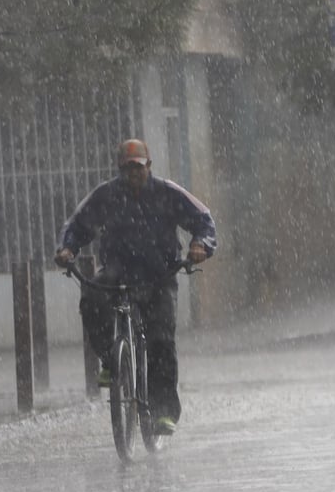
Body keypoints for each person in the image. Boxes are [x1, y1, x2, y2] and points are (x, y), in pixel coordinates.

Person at [54, 138, 216, 436]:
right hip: (118, 271)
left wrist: (199, 245)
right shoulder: (106, 195)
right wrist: (67, 249)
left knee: (161, 340)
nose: (134, 174)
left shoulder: (167, 193)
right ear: (119, 169)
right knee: (92, 298)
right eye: (128, 169)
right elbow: (76, 226)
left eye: (138, 168)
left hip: (159, 273)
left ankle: (163, 411)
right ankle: (111, 359)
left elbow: (203, 221)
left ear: (149, 167)